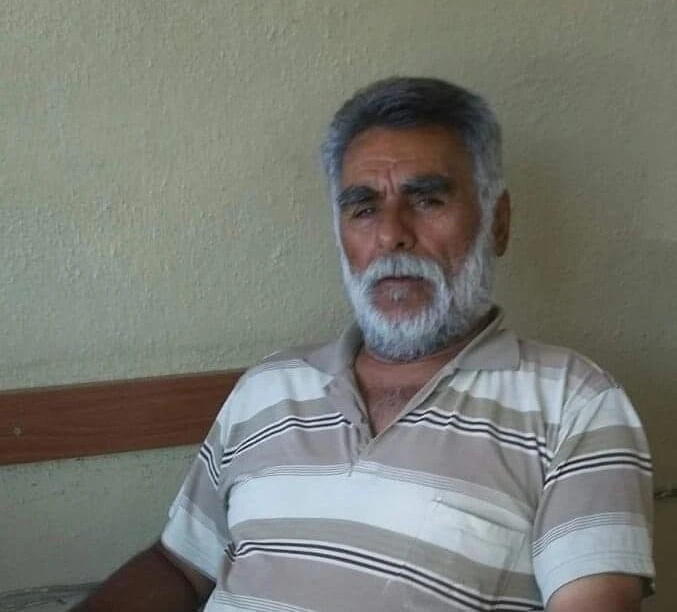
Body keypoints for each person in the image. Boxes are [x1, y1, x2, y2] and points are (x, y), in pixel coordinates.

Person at [73, 77, 655, 612]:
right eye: (364, 208)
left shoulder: (576, 404)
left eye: (427, 200)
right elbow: (179, 566)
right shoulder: (270, 386)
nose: (391, 234)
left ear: (497, 222)